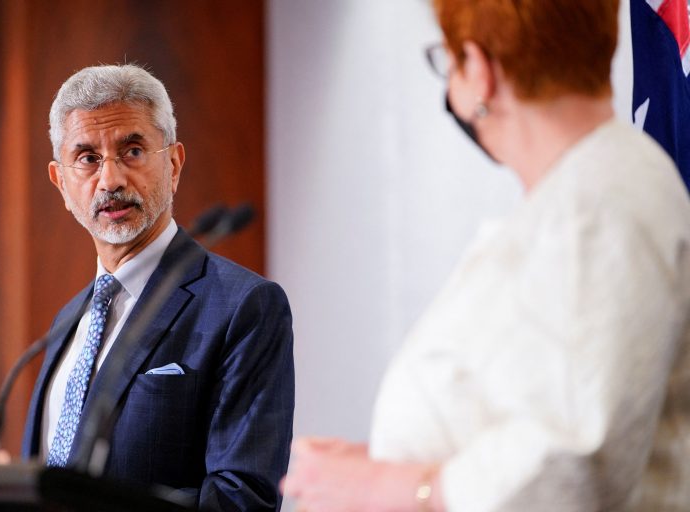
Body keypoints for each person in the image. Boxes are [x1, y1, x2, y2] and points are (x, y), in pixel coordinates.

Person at [283, 0, 690, 510]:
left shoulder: (607, 201)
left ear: (478, 71)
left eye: (447, 62)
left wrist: (385, 487)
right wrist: (384, 465)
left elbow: (574, 460)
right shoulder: (573, 196)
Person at [21, 64, 295, 511]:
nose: (109, 180)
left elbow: (243, 499)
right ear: (61, 182)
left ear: (172, 163)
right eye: (88, 158)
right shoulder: (69, 320)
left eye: (131, 151)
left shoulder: (243, 306)